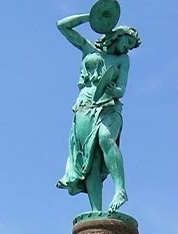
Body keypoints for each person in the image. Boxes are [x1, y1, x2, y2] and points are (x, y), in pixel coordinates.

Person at [55, 11, 141, 214]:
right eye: (127, 42)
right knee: (89, 161)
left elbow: (121, 89)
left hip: (109, 107)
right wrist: (92, 17)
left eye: (130, 46)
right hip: (84, 107)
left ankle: (121, 190)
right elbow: (62, 26)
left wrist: (113, 90)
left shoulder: (123, 61)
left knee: (105, 137)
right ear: (118, 35)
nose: (128, 48)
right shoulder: (88, 48)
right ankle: (96, 213)